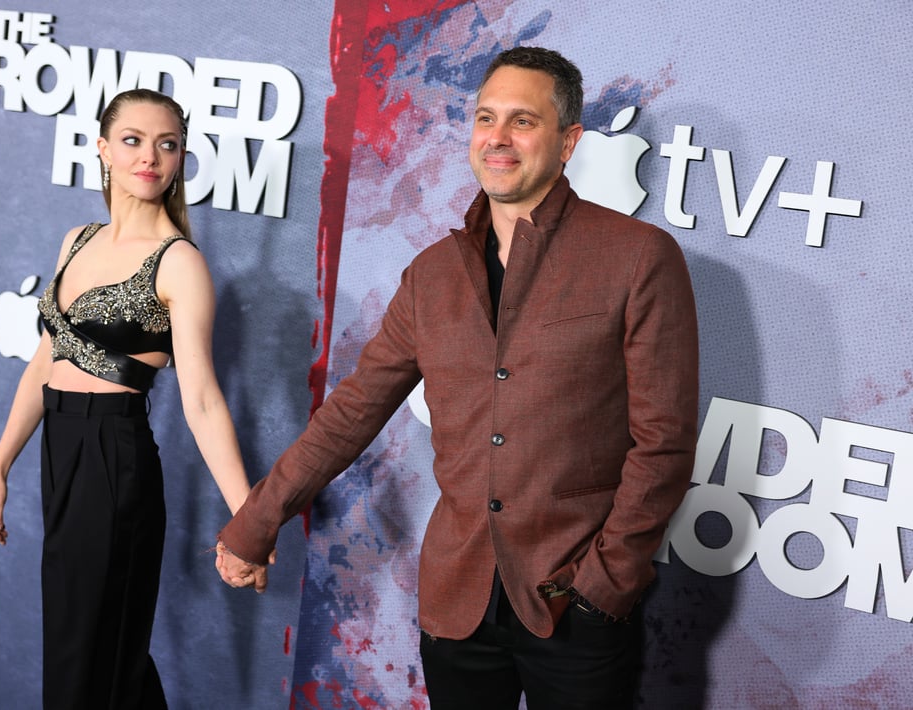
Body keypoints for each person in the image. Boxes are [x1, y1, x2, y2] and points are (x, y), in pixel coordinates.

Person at [216, 46, 699, 709]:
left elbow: (664, 442)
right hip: (456, 607)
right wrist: (255, 521)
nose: (497, 138)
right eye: (485, 118)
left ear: (568, 141)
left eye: (522, 121)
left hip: (575, 608)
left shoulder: (637, 258)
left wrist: (606, 583)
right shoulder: (433, 274)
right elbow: (353, 410)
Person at [0, 88, 254, 709]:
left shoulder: (178, 263)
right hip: (60, 451)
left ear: (181, 158)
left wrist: (249, 519)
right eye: (132, 140)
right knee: (79, 643)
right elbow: (45, 363)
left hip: (114, 456)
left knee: (99, 653)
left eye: (167, 144)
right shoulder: (77, 239)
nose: (149, 157)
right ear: (102, 149)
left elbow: (204, 399)